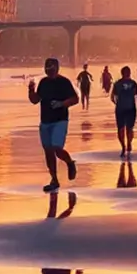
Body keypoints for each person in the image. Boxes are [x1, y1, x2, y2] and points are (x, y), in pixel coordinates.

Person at [29, 58, 79, 192]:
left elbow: (75, 99)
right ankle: (54, 180)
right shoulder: (43, 82)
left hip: (60, 120)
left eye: (51, 68)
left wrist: (62, 104)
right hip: (45, 121)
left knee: (57, 148)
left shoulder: (64, 82)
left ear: (57, 68)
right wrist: (30, 90)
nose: (49, 70)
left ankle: (69, 162)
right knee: (48, 152)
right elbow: (35, 100)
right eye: (47, 68)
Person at [111, 65, 137, 159]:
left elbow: (112, 97)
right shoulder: (133, 83)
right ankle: (128, 143)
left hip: (120, 109)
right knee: (129, 129)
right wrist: (132, 100)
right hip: (131, 108)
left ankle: (124, 147)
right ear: (129, 73)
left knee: (121, 129)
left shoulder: (117, 84)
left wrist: (118, 103)